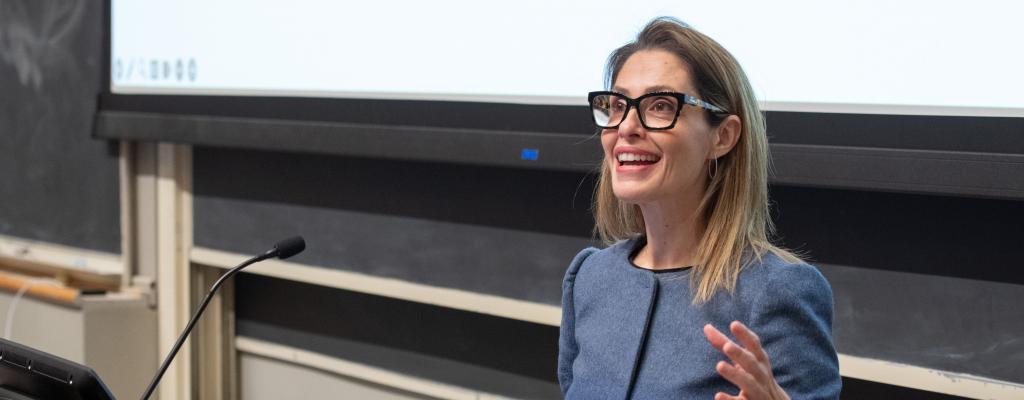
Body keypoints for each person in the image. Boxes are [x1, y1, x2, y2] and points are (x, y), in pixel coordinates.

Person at [557, 17, 841, 400]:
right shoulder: (589, 277)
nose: (626, 126)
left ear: (723, 136)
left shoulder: (777, 291)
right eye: (618, 105)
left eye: (660, 106)